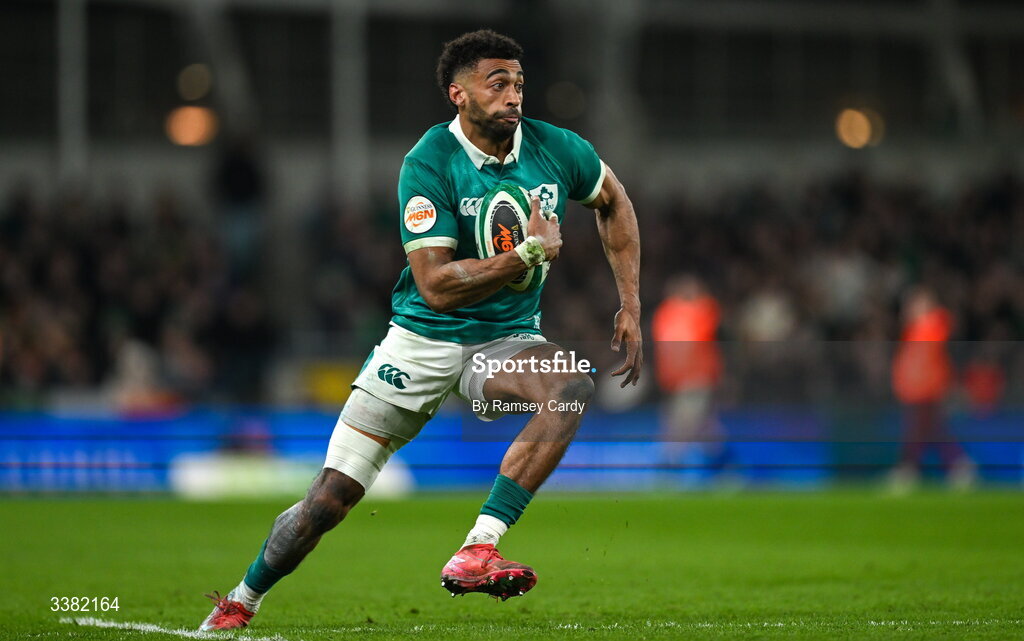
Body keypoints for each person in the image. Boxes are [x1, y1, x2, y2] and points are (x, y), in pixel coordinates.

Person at [200, 29, 642, 630]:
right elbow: (434, 284)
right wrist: (528, 256)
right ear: (458, 94)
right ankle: (242, 598)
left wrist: (631, 303)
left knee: (570, 386)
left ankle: (478, 546)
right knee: (327, 503)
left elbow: (613, 200)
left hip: (504, 340)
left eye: (518, 83)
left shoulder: (557, 148)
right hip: (420, 340)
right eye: (498, 83)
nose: (514, 95)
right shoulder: (428, 162)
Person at [889, 287, 974, 492]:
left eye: (915, 304)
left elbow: (929, 361)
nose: (909, 309)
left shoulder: (933, 326)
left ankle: (910, 469)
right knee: (930, 430)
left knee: (922, 430)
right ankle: (956, 465)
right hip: (917, 391)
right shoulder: (915, 330)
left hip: (929, 389)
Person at [651, 275, 726, 480]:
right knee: (703, 426)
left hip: (696, 379)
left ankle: (670, 466)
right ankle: (725, 467)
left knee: (683, 424)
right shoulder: (666, 315)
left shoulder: (698, 312)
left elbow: (710, 314)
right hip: (675, 382)